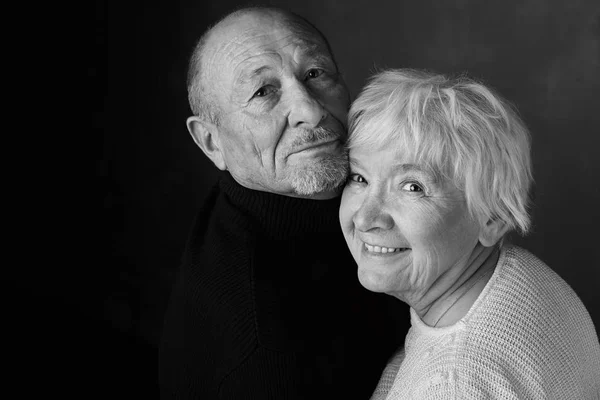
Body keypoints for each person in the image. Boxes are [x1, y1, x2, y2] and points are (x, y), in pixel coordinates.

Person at [159, 7, 408, 399]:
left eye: (315, 74)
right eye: (262, 92)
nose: (310, 110)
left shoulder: (358, 191)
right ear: (211, 142)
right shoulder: (263, 359)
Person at [339, 68, 600, 399]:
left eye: (413, 187)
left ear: (493, 218)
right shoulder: (518, 277)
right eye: (359, 178)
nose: (365, 217)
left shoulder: (454, 384)